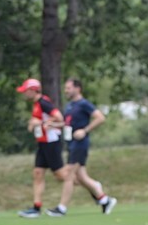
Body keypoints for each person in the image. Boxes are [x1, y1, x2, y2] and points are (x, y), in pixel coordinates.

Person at [57, 76, 116, 213]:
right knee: (81, 177)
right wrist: (52, 125)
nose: (66, 91)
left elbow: (100, 118)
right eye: (65, 88)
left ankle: (61, 208)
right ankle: (104, 199)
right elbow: (67, 124)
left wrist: (85, 130)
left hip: (80, 144)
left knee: (69, 174)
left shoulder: (84, 104)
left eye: (68, 88)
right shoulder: (70, 106)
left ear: (77, 89)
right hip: (71, 143)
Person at [17, 78, 64, 216]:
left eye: (26, 91)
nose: (24, 93)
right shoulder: (37, 104)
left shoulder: (44, 103)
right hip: (42, 143)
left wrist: (42, 123)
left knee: (62, 175)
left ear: (33, 90)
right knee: (38, 173)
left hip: (51, 142)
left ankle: (96, 191)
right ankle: (36, 208)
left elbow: (59, 117)